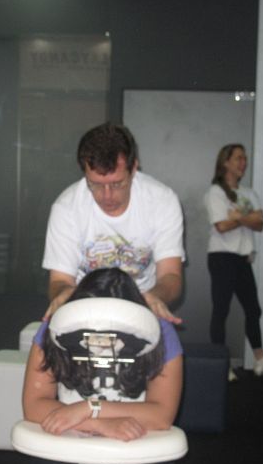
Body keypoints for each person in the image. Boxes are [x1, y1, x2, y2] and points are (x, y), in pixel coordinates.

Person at [22, 267, 183, 464]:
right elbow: (33, 404)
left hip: (134, 443)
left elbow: (162, 414)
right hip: (68, 440)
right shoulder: (55, 328)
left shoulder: (160, 332)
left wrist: (89, 407)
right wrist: (98, 422)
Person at [42, 122, 185, 322]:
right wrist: (64, 294)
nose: (107, 196)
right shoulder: (67, 207)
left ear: (134, 168)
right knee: (40, 348)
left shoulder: (162, 201)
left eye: (117, 184)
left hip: (145, 307)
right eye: (96, 185)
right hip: (83, 308)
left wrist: (155, 297)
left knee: (170, 351)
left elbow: (171, 275)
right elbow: (60, 279)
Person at [205, 144, 263, 379]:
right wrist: (246, 218)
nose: (244, 162)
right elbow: (221, 226)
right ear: (226, 162)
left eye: (245, 158)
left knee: (253, 309)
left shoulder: (249, 193)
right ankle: (223, 365)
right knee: (221, 310)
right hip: (221, 258)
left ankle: (261, 359)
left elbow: (260, 223)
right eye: (239, 158)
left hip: (242, 259)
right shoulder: (216, 193)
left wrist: (238, 217)